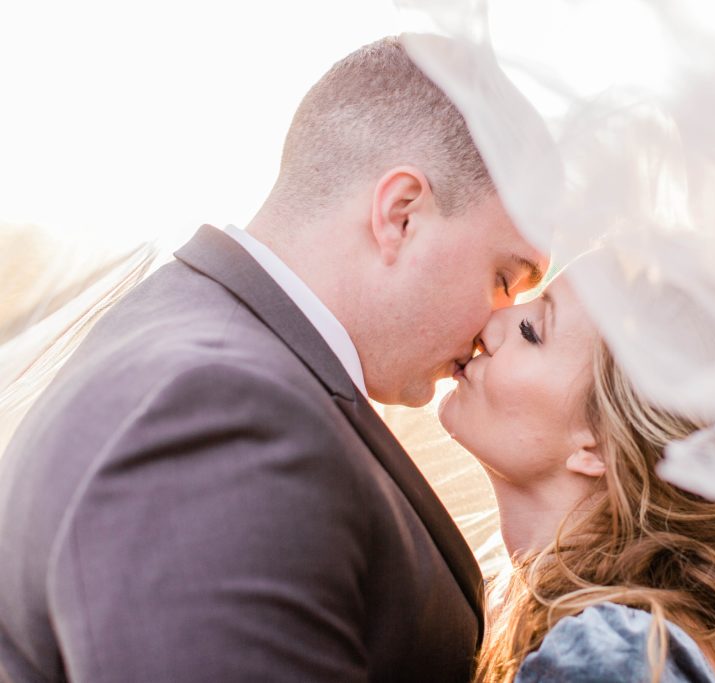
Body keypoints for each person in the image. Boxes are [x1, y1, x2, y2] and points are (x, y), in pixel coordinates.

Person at [0, 37, 546, 682]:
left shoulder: (201, 342)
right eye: (504, 278)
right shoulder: (220, 414)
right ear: (401, 215)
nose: (494, 324)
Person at [439, 268, 715, 682]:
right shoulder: (634, 640)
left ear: (597, 445)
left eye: (531, 331)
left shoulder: (614, 657)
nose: (491, 324)